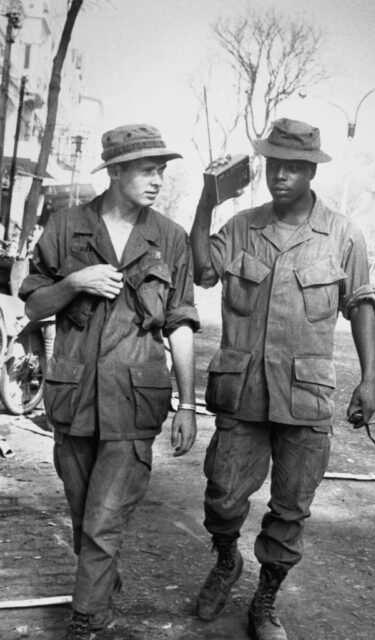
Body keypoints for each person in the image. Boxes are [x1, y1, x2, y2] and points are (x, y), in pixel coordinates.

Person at [190, 118, 375, 640]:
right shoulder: (243, 226)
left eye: (294, 166)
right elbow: (204, 271)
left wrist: (370, 380)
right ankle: (227, 561)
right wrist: (207, 203)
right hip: (243, 389)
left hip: (306, 396)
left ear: (311, 171)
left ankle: (265, 599)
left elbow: (361, 305)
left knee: (291, 507)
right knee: (223, 496)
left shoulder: (343, 234)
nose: (281, 175)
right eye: (274, 164)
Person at [19, 124, 200, 640]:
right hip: (72, 397)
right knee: (83, 516)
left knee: (102, 519)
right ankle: (101, 584)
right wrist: (74, 282)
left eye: (161, 169)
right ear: (116, 171)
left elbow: (180, 322)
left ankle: (88, 619)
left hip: (133, 402)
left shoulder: (168, 237)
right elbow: (34, 304)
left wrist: (188, 405)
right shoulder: (66, 227)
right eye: (147, 169)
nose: (157, 179)